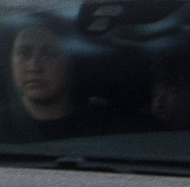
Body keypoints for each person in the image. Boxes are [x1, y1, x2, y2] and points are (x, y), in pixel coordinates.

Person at [1, 15, 143, 142]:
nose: (34, 66)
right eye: (23, 53)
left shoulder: (111, 131)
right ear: (10, 61)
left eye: (49, 54)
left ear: (71, 62)